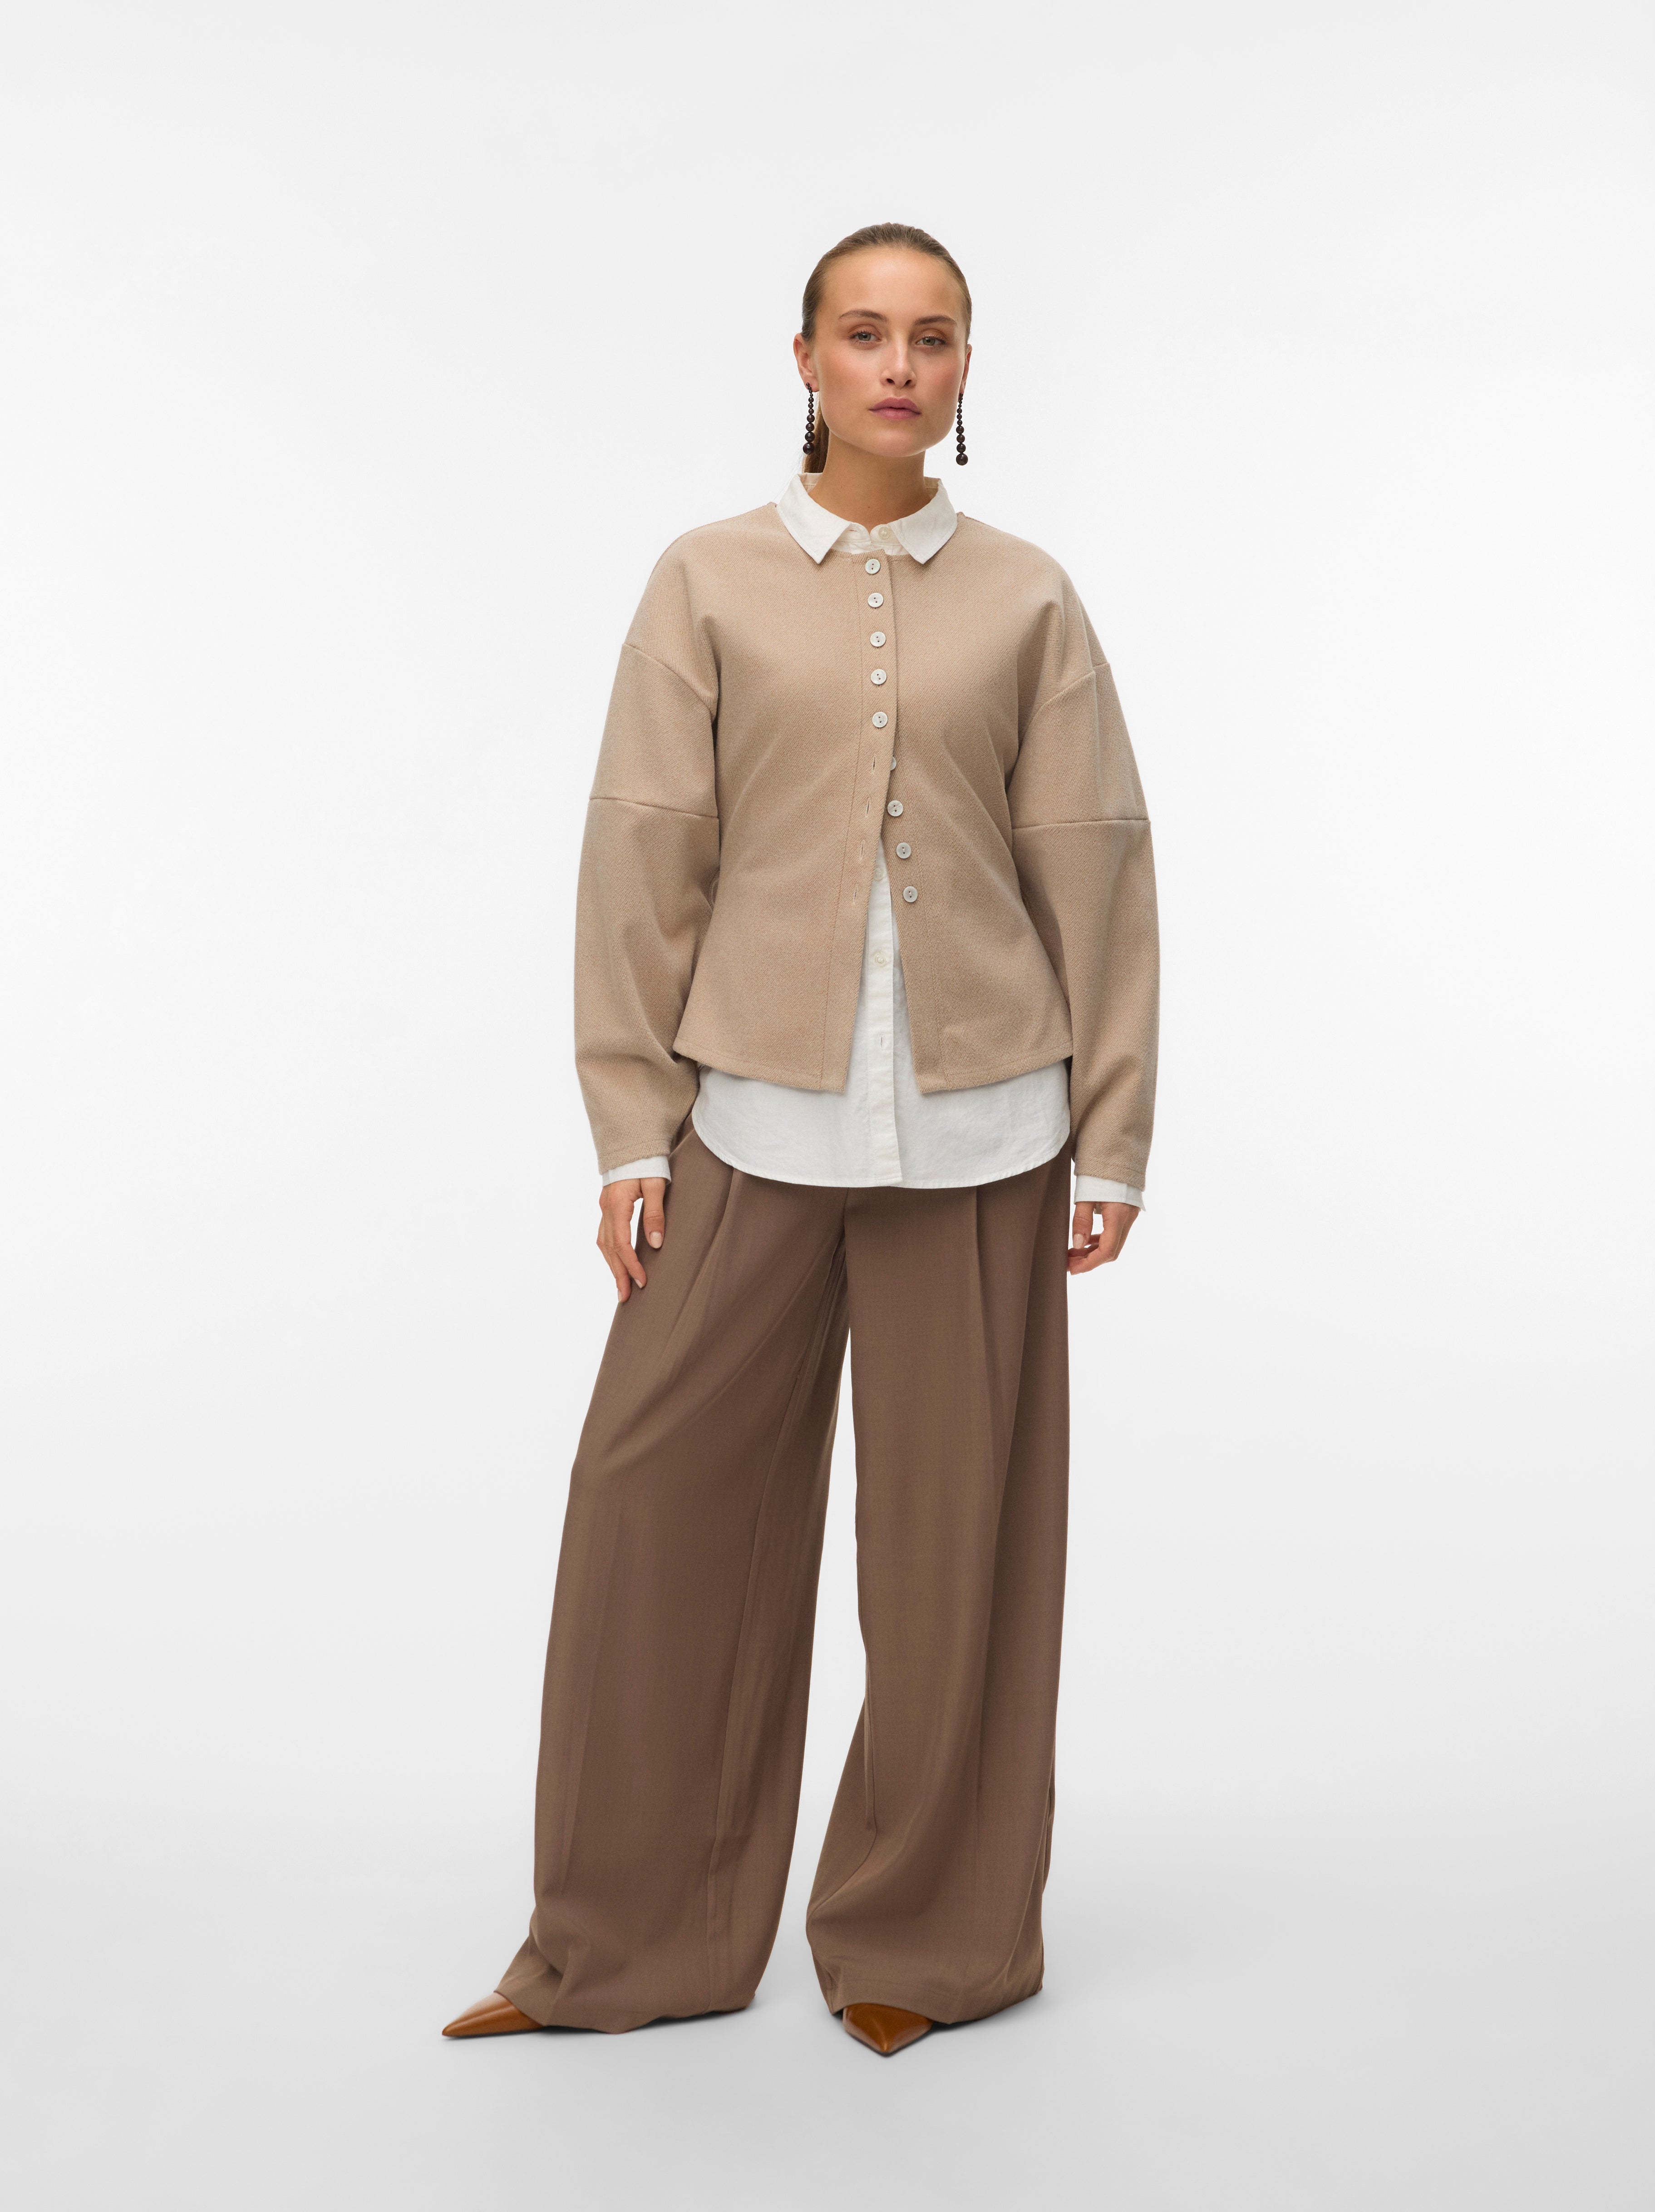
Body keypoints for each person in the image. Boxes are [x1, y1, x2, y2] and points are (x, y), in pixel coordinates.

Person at [442, 221, 1159, 2058]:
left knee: (956, 1558)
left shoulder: (1029, 597)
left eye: (933, 337)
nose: (898, 366)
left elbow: (1094, 856)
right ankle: (625, 1940)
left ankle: (930, 1941)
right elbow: (643, 849)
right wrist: (630, 1132)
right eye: (865, 333)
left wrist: (1110, 1138)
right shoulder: (704, 579)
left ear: (966, 368)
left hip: (985, 1132)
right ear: (807, 360)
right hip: (748, 1123)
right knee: (653, 1510)